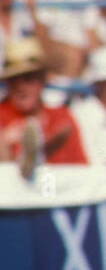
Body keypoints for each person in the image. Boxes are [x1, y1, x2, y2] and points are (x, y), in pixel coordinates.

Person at [0, 38, 88, 175]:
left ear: (42, 80)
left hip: (55, 190)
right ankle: (36, 156)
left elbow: (81, 168)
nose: (21, 86)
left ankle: (36, 157)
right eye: (13, 80)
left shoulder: (61, 116)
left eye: (28, 78)